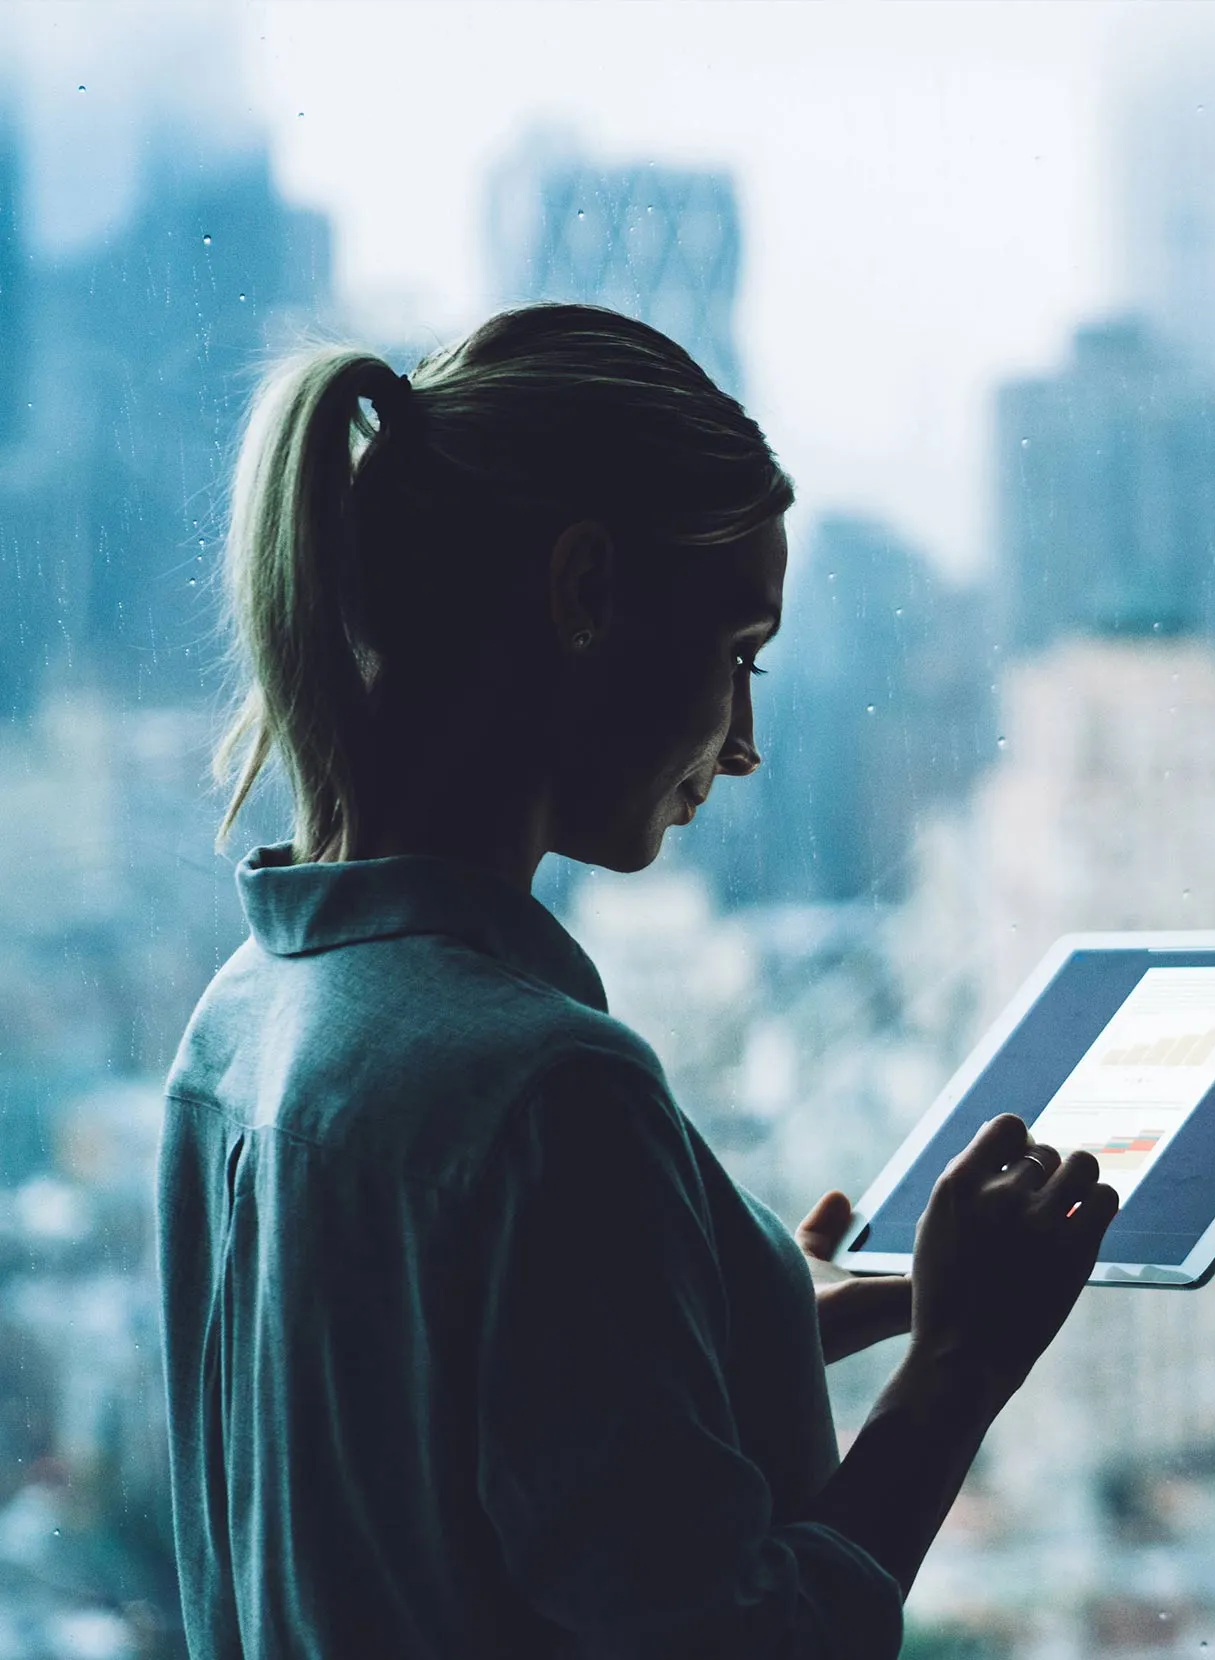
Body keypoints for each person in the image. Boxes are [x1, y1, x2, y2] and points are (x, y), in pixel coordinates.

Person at [156, 303, 1115, 1657]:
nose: (746, 745)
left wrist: (736, 1327)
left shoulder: (241, 1025)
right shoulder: (547, 1094)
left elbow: (401, 1473)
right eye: (737, 655)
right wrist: (961, 1367)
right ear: (587, 593)